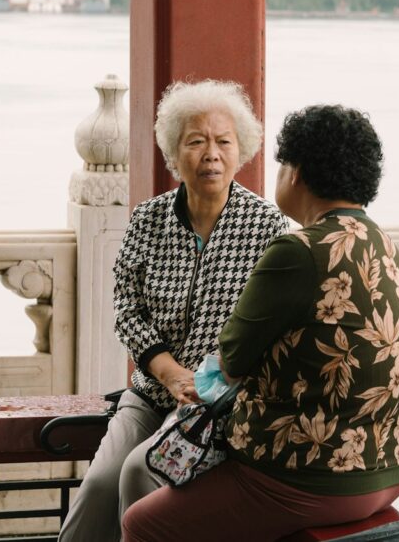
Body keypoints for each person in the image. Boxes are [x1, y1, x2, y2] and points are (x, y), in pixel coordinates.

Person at [122, 105, 399, 541]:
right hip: (389, 471)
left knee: (142, 523)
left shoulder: (298, 250)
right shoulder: (383, 243)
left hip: (306, 477)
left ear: (295, 173)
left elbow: (232, 361)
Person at [58, 80, 289, 542]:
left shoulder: (267, 227)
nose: (211, 154)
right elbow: (127, 309)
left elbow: (272, 327)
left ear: (241, 151)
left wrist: (209, 385)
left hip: (216, 406)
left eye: (224, 142)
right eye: (196, 141)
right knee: (100, 484)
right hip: (150, 391)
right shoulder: (149, 218)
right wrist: (169, 374)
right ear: (174, 152)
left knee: (140, 475)